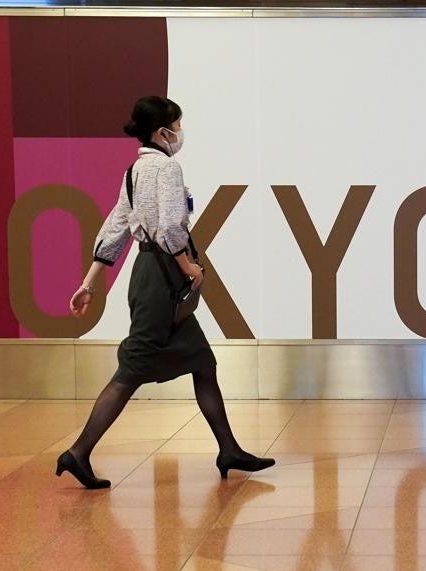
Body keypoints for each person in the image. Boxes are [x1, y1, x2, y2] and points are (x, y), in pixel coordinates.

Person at [57, 96, 275, 489]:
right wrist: (188, 265)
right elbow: (172, 226)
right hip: (162, 278)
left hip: (148, 274)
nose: (180, 132)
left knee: (203, 361)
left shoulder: (134, 171)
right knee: (132, 369)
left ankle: (228, 450)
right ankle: (78, 452)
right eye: (178, 125)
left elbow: (115, 228)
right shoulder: (167, 168)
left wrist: (89, 282)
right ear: (163, 132)